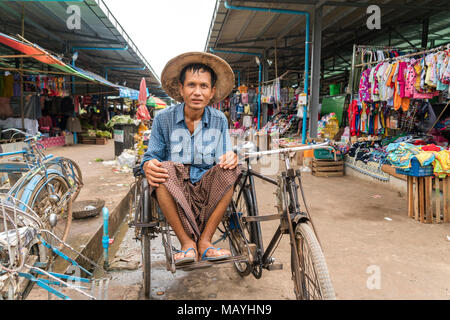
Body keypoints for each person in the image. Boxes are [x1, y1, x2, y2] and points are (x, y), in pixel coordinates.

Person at [141, 52, 239, 265]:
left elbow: (224, 153)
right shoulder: (163, 119)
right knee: (163, 168)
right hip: (175, 186)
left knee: (231, 170)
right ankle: (187, 244)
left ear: (212, 91)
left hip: (206, 184)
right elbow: (151, 155)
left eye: (203, 86)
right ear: (181, 88)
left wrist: (230, 157)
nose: (197, 92)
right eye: (191, 85)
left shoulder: (219, 119)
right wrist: (148, 164)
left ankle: (205, 242)